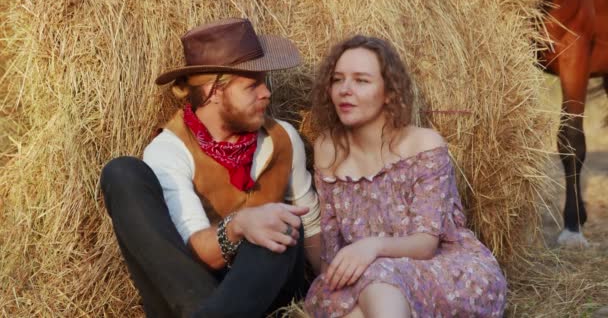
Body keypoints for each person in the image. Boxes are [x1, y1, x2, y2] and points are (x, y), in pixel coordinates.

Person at [100, 18, 322, 318]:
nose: (266, 94)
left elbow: (311, 227)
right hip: (188, 294)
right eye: (252, 85)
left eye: (264, 82)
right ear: (213, 91)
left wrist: (336, 292)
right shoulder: (170, 150)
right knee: (122, 172)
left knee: (280, 225)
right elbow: (194, 255)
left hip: (266, 295)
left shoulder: (282, 138)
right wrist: (239, 225)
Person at [304, 35, 507, 318]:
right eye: (338, 80)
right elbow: (330, 243)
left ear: (389, 92)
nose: (345, 90)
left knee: (379, 276)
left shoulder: (423, 144)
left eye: (361, 80)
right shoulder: (328, 149)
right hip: (366, 275)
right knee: (345, 301)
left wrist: (371, 248)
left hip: (445, 270)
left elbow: (425, 244)